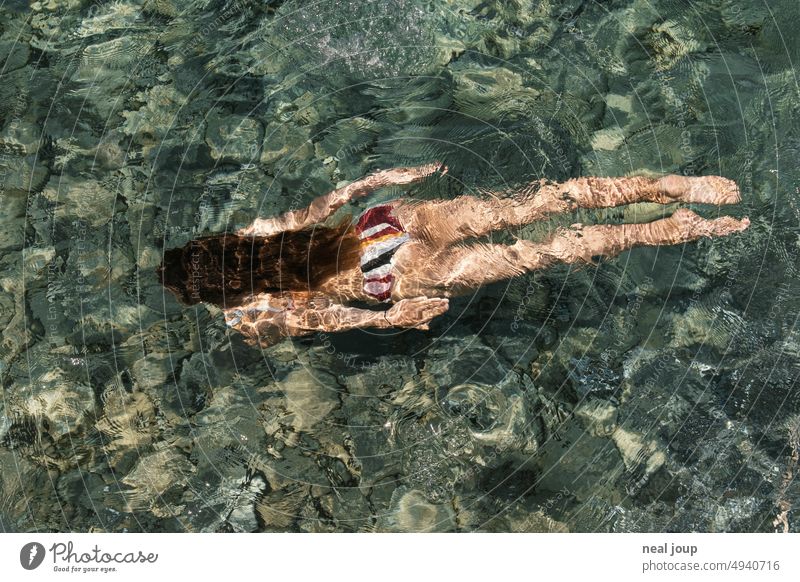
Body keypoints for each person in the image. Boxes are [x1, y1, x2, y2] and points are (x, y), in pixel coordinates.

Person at [157, 163, 749, 348]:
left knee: (543, 251)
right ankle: (674, 186)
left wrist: (391, 317)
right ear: (217, 248)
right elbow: (325, 204)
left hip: (389, 275)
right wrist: (383, 178)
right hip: (384, 225)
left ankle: (675, 228)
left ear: (214, 292)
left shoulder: (248, 318)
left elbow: (327, 317)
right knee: (541, 202)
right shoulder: (255, 232)